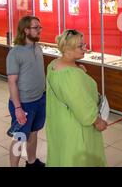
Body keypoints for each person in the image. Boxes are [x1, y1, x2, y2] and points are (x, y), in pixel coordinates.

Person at [45, 29, 107, 167]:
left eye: (84, 44)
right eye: (81, 46)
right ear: (67, 49)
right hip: (75, 128)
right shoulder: (72, 76)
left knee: (61, 155)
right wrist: (97, 121)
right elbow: (82, 106)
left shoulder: (53, 65)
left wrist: (79, 72)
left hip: (59, 123)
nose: (85, 48)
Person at [6, 16, 46, 167]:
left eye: (39, 27)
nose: (39, 30)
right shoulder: (15, 53)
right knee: (20, 137)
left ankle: (31, 162)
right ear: (26, 30)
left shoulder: (38, 48)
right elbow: (12, 82)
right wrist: (18, 108)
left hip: (40, 100)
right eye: (36, 28)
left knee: (34, 133)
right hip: (23, 104)